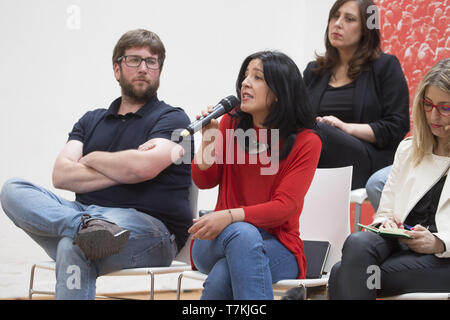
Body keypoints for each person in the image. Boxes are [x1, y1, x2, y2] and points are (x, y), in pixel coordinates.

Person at [0, 29, 194, 299]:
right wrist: (126, 168)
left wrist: (92, 159)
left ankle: (84, 229)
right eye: (134, 60)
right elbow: (61, 175)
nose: (144, 68)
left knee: (75, 245)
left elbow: (143, 168)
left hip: (151, 229)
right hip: (85, 211)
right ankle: (84, 225)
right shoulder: (91, 120)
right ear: (117, 69)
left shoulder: (173, 119)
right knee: (12, 190)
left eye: (152, 62)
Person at [188, 51, 322, 300]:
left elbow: (284, 207)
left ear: (279, 92)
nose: (245, 83)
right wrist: (208, 139)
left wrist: (230, 216)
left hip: (278, 245)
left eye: (257, 77)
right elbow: (204, 180)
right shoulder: (229, 123)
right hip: (215, 239)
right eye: (245, 76)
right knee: (243, 235)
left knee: (223, 277)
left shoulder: (307, 142)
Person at [328, 58, 450, 299]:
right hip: (403, 246)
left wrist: (438, 242)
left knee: (341, 272)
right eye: (427, 105)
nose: (433, 115)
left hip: (443, 258)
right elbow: (384, 212)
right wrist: (387, 224)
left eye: (444, 107)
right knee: (358, 242)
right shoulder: (409, 149)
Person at [303, 0, 410, 189]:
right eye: (335, 16)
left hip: (369, 160)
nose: (338, 23)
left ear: (366, 29)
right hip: (318, 155)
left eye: (349, 19)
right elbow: (299, 117)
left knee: (321, 131)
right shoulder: (314, 71)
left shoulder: (385, 66)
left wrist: (345, 127)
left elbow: (397, 126)